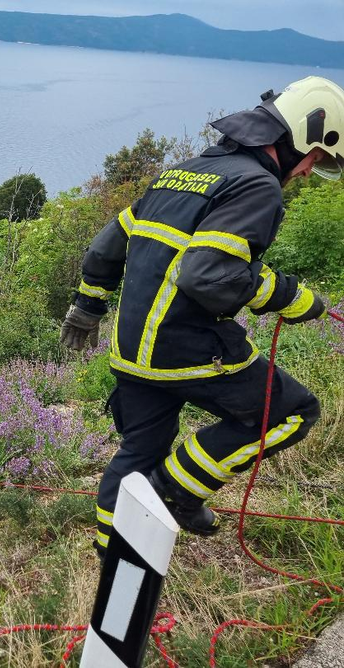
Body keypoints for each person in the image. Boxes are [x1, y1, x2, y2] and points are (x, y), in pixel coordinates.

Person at [60, 76, 344, 557]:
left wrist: (87, 307)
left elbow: (108, 245)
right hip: (184, 348)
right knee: (293, 411)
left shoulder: (182, 172)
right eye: (316, 156)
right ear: (301, 135)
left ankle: (114, 555)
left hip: (131, 350)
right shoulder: (257, 187)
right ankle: (176, 490)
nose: (306, 172)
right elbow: (208, 276)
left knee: (138, 451)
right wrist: (291, 298)